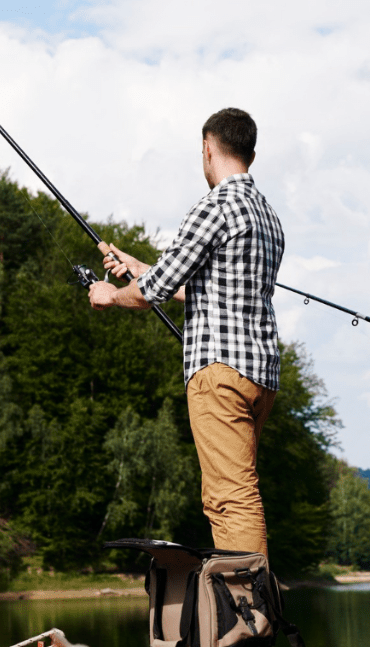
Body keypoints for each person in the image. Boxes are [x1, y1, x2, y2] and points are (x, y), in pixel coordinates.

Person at [88, 107, 284, 557]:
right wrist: (137, 267)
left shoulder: (215, 206)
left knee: (229, 499)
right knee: (243, 491)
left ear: (208, 148)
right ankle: (252, 608)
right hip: (260, 376)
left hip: (219, 374)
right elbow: (210, 290)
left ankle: (247, 614)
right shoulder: (267, 216)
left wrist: (109, 294)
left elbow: (153, 291)